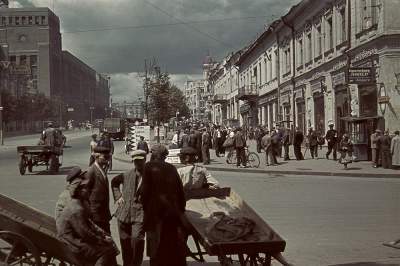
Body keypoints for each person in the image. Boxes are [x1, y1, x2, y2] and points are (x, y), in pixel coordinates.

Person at [56, 175, 119, 266]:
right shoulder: (76, 209)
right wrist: (101, 240)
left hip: (72, 239)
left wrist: (102, 236)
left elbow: (88, 226)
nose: (88, 190)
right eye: (85, 188)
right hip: (72, 243)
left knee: (107, 245)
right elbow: (85, 233)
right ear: (78, 191)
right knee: (105, 251)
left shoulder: (77, 203)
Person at [140, 144, 187, 266]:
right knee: (170, 245)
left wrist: (145, 209)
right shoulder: (172, 168)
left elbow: (144, 191)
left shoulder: (148, 167)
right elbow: (180, 192)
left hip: (155, 215)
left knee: (155, 247)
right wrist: (180, 211)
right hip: (171, 214)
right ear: (165, 156)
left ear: (154, 154)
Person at [111, 150, 147, 266]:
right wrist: (118, 197)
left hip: (140, 214)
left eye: (140, 161)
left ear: (145, 160)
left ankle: (136, 263)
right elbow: (114, 182)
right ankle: (127, 263)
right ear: (133, 161)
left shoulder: (150, 175)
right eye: (136, 161)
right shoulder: (127, 174)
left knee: (137, 239)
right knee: (125, 241)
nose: (138, 163)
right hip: (124, 213)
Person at [86, 146, 113, 233]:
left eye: (108, 157)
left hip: (103, 214)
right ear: (97, 157)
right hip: (96, 215)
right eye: (105, 157)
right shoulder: (91, 171)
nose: (107, 160)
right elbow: (85, 193)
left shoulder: (102, 169)